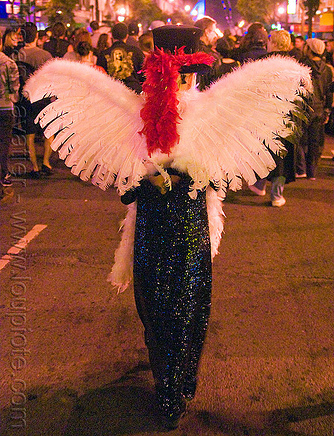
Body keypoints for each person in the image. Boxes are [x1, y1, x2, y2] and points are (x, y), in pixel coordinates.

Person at [25, 26, 311, 430]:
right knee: (153, 308)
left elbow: (214, 177)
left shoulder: (211, 109)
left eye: (186, 72)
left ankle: (176, 388)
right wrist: (147, 180)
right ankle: (168, 381)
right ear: (158, 72)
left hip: (191, 231)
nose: (182, 79)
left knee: (190, 309)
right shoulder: (136, 112)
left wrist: (182, 176)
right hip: (151, 232)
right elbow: (125, 186)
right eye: (173, 72)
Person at [248, 29, 294, 206]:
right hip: (288, 115)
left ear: (272, 43)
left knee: (263, 149)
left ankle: (259, 184)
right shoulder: (295, 64)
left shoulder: (261, 62)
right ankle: (276, 195)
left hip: (264, 113)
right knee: (283, 155)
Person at [18, 22, 53, 177]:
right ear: (36, 36)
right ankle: (46, 162)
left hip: (26, 98)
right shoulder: (44, 56)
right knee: (48, 131)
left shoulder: (16, 55)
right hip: (43, 97)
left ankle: (34, 167)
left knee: (29, 134)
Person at [296, 38, 333, 179]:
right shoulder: (327, 69)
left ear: (309, 49)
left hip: (305, 107)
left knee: (301, 139)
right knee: (314, 141)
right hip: (320, 108)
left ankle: (301, 169)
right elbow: (329, 92)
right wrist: (327, 109)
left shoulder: (303, 66)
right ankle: (312, 172)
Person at [96, 22, 145, 94]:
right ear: (127, 36)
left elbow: (99, 76)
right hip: (134, 92)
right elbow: (143, 74)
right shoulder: (136, 52)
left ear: (112, 36)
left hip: (111, 93)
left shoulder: (103, 54)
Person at [0, 34, 20, 190]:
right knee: (3, 143)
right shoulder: (8, 63)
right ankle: (3, 174)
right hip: (4, 107)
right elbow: (14, 88)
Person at [194, 16, 225, 90]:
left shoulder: (188, 50)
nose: (216, 36)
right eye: (214, 32)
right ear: (207, 32)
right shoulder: (211, 57)